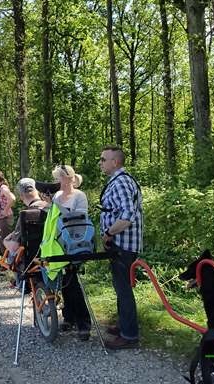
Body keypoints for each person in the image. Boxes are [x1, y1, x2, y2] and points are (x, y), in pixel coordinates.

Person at [99, 145, 143, 349]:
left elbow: (127, 217)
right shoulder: (117, 181)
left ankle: (129, 335)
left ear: (115, 162)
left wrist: (108, 234)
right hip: (119, 244)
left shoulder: (122, 183)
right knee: (120, 286)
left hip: (122, 245)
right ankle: (124, 325)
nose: (100, 163)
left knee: (124, 290)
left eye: (103, 159)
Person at [51, 165, 92, 341]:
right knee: (65, 281)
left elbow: (79, 219)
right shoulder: (57, 196)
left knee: (73, 282)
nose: (57, 181)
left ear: (68, 178)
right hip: (60, 242)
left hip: (77, 241)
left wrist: (57, 207)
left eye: (59, 178)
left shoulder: (79, 196)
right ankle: (69, 317)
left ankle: (83, 323)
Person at [2, 178, 47, 263]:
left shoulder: (26, 215)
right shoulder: (51, 209)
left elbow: (14, 247)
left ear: (21, 197)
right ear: (37, 192)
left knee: (11, 254)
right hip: (52, 258)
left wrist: (5, 241)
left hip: (31, 261)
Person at [0, 170, 15, 254]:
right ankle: (1, 262)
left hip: (4, 218)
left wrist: (5, 210)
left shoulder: (3, 188)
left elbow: (12, 199)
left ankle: (8, 262)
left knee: (4, 241)